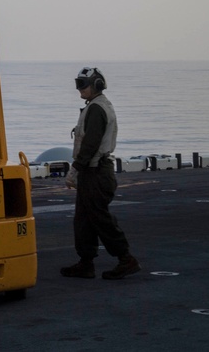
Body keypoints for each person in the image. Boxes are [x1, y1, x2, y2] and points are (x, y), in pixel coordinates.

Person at [61, 67, 141, 280]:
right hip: (93, 171)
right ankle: (86, 263)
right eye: (78, 84)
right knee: (83, 219)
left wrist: (75, 169)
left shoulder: (96, 109)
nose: (79, 89)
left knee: (99, 218)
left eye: (82, 84)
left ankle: (126, 259)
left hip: (96, 172)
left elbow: (91, 143)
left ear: (96, 85)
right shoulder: (96, 106)